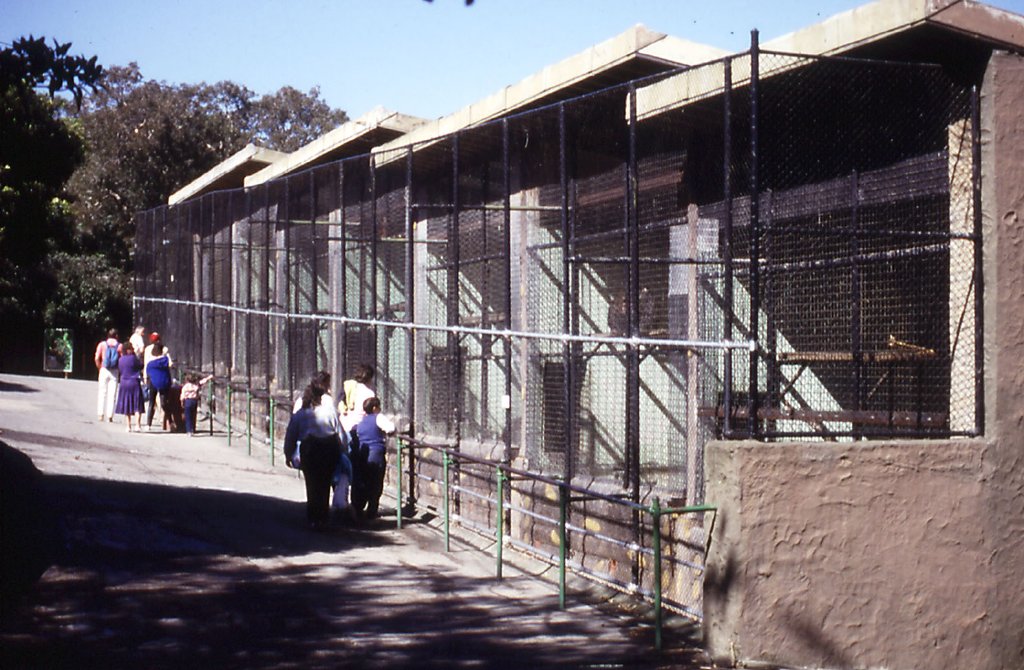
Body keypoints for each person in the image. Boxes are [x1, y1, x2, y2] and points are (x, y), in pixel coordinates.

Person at [283, 382, 346, 530]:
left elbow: (291, 435)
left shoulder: (301, 414)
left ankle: (313, 517)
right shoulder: (330, 411)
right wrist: (344, 451)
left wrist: (288, 453)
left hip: (310, 450)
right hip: (329, 449)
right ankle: (323, 517)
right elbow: (340, 433)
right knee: (325, 483)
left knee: (312, 484)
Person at [350, 396, 396, 521]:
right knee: (375, 483)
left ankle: (358, 508)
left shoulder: (361, 421)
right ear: (375, 408)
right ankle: (371, 511)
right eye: (379, 406)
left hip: (362, 454)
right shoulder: (378, 417)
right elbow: (390, 428)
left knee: (363, 480)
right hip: (376, 453)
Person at [114, 341, 145, 432]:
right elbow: (140, 366)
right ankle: (137, 425)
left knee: (127, 403)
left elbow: (120, 370)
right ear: (128, 350)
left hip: (124, 382)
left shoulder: (120, 359)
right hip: (134, 381)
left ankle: (128, 426)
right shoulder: (133, 358)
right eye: (131, 348)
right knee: (137, 404)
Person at [94, 329, 121, 422]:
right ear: (116, 336)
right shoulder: (119, 346)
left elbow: (97, 357)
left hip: (104, 369)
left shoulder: (102, 344)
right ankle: (110, 415)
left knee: (102, 392)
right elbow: (121, 359)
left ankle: (100, 414)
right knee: (112, 394)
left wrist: (99, 367)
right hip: (114, 371)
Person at [145, 342, 173, 431]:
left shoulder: (151, 363)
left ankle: (148, 424)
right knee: (164, 403)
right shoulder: (165, 360)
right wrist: (167, 354)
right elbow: (170, 364)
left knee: (151, 403)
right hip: (165, 383)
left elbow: (148, 372)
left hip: (153, 383)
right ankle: (170, 422)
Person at [340, 363, 376, 432]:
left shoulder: (349, 388)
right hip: (358, 429)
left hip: (343, 427)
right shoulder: (370, 394)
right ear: (370, 378)